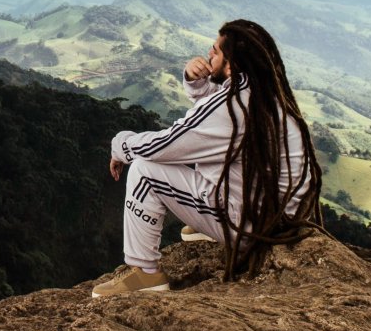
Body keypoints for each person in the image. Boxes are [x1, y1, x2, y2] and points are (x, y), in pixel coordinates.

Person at [92, 19, 323, 296]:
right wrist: (197, 81)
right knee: (203, 149)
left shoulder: (231, 106)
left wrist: (121, 146)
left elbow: (168, 144)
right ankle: (204, 221)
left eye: (215, 50)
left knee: (144, 170)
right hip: (281, 220)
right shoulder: (263, 95)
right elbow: (212, 120)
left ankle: (146, 275)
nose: (208, 53)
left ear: (231, 65)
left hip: (254, 229)